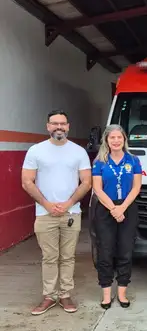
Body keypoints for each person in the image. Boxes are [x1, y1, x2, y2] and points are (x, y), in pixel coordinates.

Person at [21, 110, 92, 315]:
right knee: (49, 257)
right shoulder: (36, 151)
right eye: (54, 123)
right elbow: (27, 181)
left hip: (71, 213)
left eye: (62, 123)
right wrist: (47, 204)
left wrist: (68, 203)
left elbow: (86, 182)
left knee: (68, 257)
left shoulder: (78, 152)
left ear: (68, 126)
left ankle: (65, 295)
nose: (59, 127)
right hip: (45, 213)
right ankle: (49, 296)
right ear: (48, 126)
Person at [92, 125, 142, 309]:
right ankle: (106, 294)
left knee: (125, 251)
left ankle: (122, 293)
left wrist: (122, 208)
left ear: (124, 139)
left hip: (127, 207)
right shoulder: (99, 162)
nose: (116, 141)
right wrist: (114, 209)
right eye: (112, 137)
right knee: (105, 252)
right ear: (106, 140)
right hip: (106, 208)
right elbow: (97, 189)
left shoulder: (133, 160)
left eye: (119, 137)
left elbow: (136, 187)